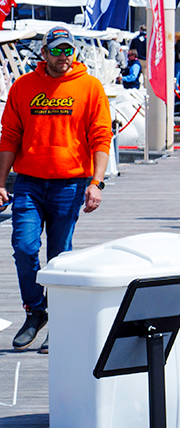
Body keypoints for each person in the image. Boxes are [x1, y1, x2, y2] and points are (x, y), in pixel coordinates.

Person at [0, 26, 109, 349]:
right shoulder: (24, 86)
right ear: (44, 53)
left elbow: (101, 137)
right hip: (29, 182)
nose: (63, 57)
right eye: (57, 50)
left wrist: (96, 182)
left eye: (68, 50)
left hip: (70, 183)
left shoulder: (89, 87)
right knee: (24, 247)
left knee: (60, 257)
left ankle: (60, 320)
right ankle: (36, 311)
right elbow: (9, 136)